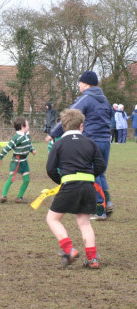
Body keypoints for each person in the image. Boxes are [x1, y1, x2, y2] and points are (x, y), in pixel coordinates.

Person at [46, 70, 114, 220]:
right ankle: (107, 201)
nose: (79, 85)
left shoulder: (86, 98)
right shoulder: (104, 99)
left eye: (80, 82)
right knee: (100, 172)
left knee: (91, 173)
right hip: (105, 140)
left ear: (86, 83)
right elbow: (111, 116)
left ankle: (99, 210)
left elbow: (70, 114)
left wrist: (53, 133)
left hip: (91, 140)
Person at [46, 109, 106, 268]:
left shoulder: (58, 144)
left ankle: (69, 250)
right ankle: (93, 259)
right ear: (81, 126)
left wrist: (61, 181)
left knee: (52, 219)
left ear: (63, 126)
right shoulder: (90, 143)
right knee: (84, 222)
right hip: (88, 186)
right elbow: (101, 165)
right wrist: (89, 177)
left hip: (69, 185)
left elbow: (50, 169)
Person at [0, 116, 37, 203]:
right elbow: (7, 148)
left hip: (24, 161)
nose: (29, 127)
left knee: (26, 180)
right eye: (27, 125)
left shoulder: (27, 136)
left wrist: (32, 150)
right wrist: (0, 157)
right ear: (22, 126)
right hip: (16, 161)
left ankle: (19, 197)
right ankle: (3, 196)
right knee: (11, 178)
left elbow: (29, 145)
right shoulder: (16, 137)